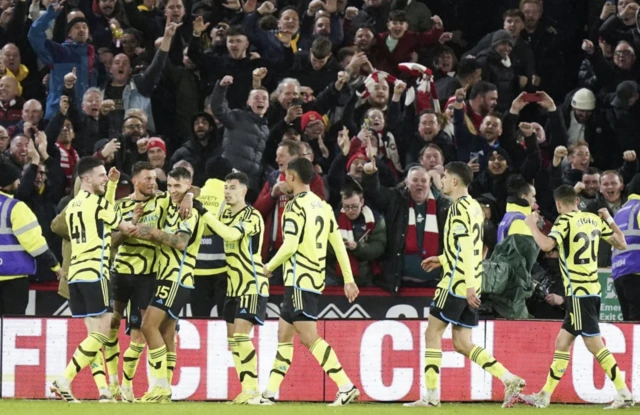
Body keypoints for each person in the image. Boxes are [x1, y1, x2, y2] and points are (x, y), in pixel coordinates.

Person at [406, 161, 526, 408]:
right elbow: (470, 247)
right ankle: (508, 377)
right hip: (469, 281)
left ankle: (430, 397)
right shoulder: (474, 207)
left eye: (444, 177)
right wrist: (441, 259)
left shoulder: (457, 208)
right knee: (461, 342)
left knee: (432, 333)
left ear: (454, 181)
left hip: (456, 283)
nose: (440, 181)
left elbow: (468, 250)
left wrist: (469, 285)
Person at [251, 158, 360, 406]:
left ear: (291, 177)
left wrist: (268, 267)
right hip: (310, 279)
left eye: (284, 176)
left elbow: (289, 246)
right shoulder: (323, 206)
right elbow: (337, 245)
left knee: (309, 337)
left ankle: (346, 386)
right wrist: (349, 279)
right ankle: (268, 394)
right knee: (284, 335)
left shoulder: (294, 207)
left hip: (300, 278)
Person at [520, 185, 633, 409]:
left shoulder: (564, 221)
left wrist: (532, 225)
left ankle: (624, 393)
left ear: (559, 205)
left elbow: (547, 245)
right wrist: (609, 218)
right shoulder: (594, 219)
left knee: (595, 345)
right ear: (577, 201)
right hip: (591, 290)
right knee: (562, 343)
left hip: (579, 292)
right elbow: (622, 243)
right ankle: (544, 395)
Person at [50, 157, 134, 403]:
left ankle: (101, 390)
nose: (105, 179)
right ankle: (63, 379)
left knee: (93, 334)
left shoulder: (74, 204)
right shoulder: (98, 204)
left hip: (75, 274)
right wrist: (140, 227)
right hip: (95, 272)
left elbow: (103, 214)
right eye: (101, 176)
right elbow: (124, 226)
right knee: (102, 334)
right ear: (86, 179)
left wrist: (110, 187)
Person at [131, 167, 205, 403]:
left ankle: (160, 385)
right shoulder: (172, 204)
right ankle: (164, 392)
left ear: (188, 185)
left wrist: (153, 232)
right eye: (171, 185)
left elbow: (181, 242)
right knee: (166, 333)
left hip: (177, 276)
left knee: (147, 326)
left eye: (179, 187)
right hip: (166, 275)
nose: (173, 191)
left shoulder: (189, 213)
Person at [199, 172, 268, 403]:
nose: (227, 191)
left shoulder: (252, 216)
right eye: (225, 187)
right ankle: (246, 389)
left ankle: (252, 390)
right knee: (233, 339)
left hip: (252, 282)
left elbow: (228, 234)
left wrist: (203, 211)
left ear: (244, 191)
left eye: (232, 188)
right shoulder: (225, 213)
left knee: (240, 336)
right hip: (233, 285)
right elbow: (209, 229)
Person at [104, 162, 165, 402]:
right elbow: (111, 241)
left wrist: (189, 195)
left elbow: (194, 190)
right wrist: (128, 226)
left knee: (140, 333)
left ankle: (127, 385)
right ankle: (112, 383)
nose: (153, 183)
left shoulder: (162, 202)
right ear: (136, 181)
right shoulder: (121, 206)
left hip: (147, 274)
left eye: (154, 178)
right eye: (148, 179)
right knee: (112, 323)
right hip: (121, 271)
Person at [0, 162, 62, 315]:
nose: (19, 182)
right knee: (11, 328)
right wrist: (55, 266)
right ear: (7, 182)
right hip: (13, 279)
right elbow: (35, 244)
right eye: (16, 179)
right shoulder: (15, 207)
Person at [610, 173, 640, 321]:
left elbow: (613, 243)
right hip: (637, 271)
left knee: (629, 322)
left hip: (619, 272)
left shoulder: (620, 212)